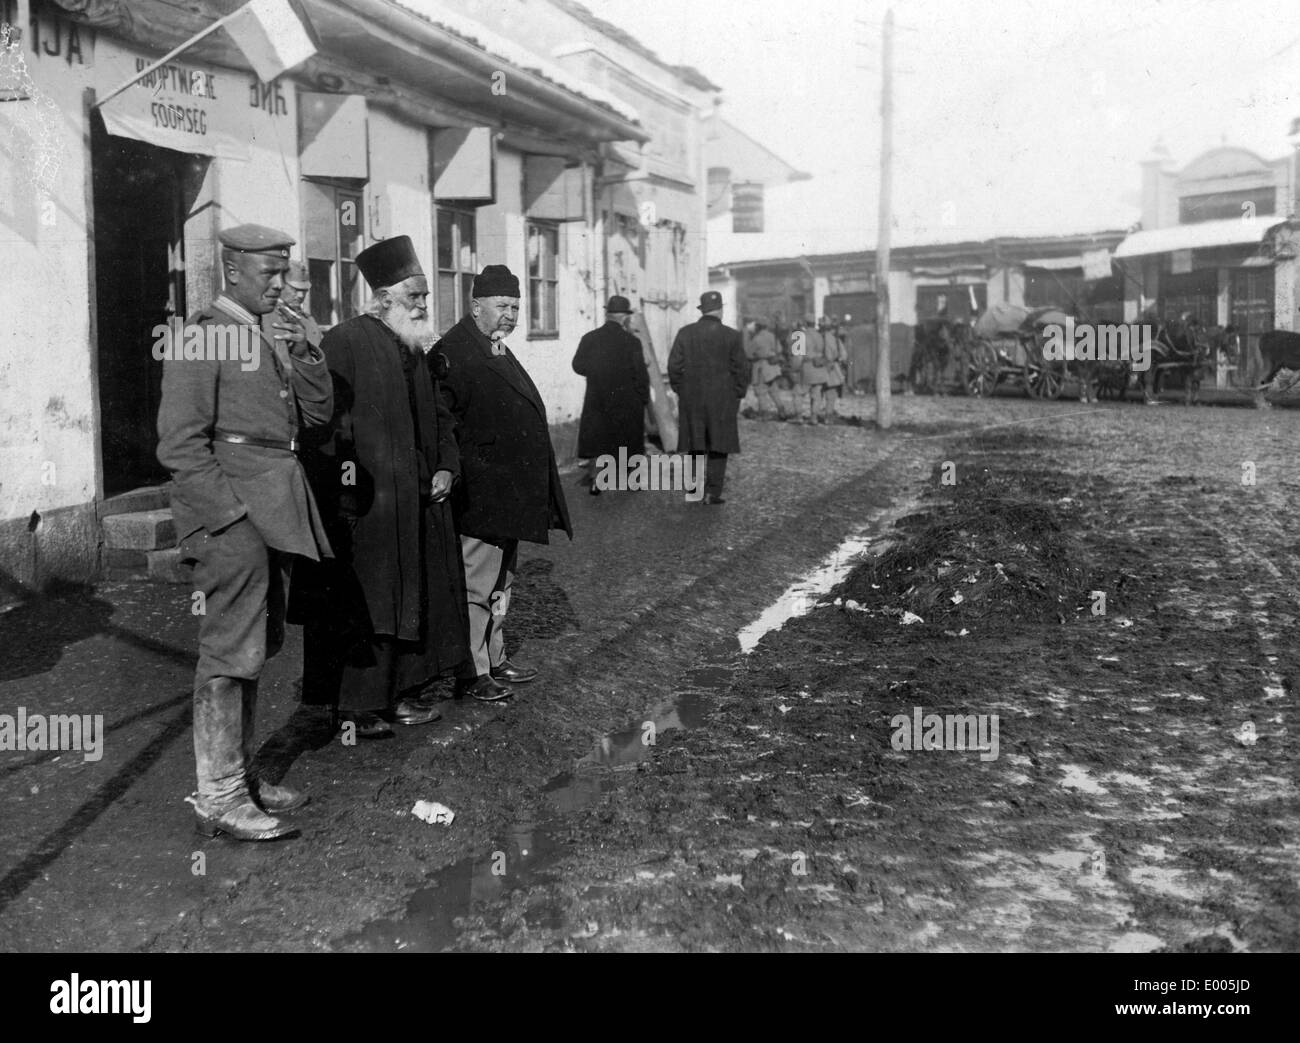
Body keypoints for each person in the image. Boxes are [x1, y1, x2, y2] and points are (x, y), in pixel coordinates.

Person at [156, 223, 333, 842]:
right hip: (234, 516)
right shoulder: (201, 337)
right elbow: (179, 444)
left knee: (256, 644)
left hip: (273, 508)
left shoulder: (265, 334)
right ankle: (219, 795)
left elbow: (315, 416)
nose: (282, 285)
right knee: (230, 649)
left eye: (285, 272)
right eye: (270, 273)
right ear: (232, 270)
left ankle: (242, 777)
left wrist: (308, 349)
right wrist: (228, 516)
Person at [292, 235, 470, 737]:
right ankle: (359, 707)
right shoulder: (346, 340)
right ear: (385, 297)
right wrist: (344, 491)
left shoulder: (416, 346)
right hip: (365, 503)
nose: (423, 305)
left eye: (425, 297)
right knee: (371, 602)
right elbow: (322, 424)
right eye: (414, 297)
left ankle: (399, 696)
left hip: (416, 496)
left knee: (411, 594)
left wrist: (445, 467)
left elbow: (439, 415)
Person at [436, 265, 573, 701]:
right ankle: (471, 672)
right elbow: (443, 428)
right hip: (480, 496)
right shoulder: (453, 352)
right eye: (502, 306)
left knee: (501, 582)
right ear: (475, 306)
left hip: (507, 496)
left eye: (515, 306)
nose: (510, 315)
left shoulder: (494, 347)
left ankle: (494, 657)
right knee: (477, 583)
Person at [667, 290, 748, 504]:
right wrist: (738, 393)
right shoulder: (732, 336)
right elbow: (741, 369)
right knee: (719, 444)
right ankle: (713, 493)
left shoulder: (685, 333)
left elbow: (674, 366)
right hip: (723, 399)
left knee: (696, 442)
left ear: (702, 310)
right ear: (721, 310)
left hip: (691, 398)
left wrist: (679, 388)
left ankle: (694, 490)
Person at [572, 295, 650, 494]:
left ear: (608, 314)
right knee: (628, 439)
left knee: (599, 440)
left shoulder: (589, 338)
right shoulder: (632, 342)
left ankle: (597, 482)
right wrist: (643, 397)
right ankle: (632, 481)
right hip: (627, 400)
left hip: (598, 397)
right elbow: (640, 374)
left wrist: (598, 372)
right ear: (624, 317)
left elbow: (578, 365)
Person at [280, 260, 323, 350]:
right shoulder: (269, 317)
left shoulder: (309, 320)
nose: (301, 295)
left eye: (304, 290)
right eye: (294, 289)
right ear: (280, 284)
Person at [745, 319, 783, 420]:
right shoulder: (772, 336)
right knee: (774, 391)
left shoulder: (757, 339)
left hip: (761, 368)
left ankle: (764, 413)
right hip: (773, 367)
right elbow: (779, 349)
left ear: (758, 327)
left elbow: (748, 354)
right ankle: (782, 411)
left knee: (760, 392)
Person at [796, 315, 830, 424]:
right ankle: (814, 418)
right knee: (817, 394)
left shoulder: (800, 335)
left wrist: (795, 369)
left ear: (805, 324)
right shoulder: (820, 336)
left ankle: (799, 417)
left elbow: (797, 356)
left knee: (798, 393)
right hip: (819, 368)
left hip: (806, 368)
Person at [820, 316, 847, 421]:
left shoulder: (816, 337)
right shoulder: (835, 340)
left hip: (816, 368)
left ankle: (814, 415)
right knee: (831, 394)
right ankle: (828, 416)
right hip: (832, 369)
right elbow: (844, 355)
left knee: (817, 393)